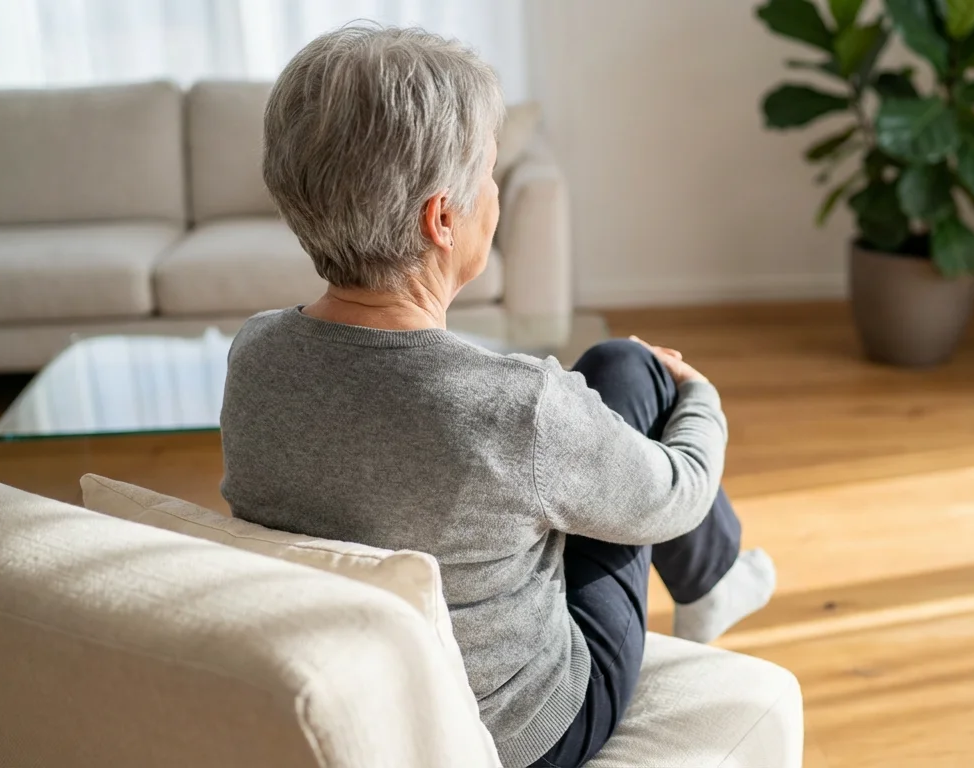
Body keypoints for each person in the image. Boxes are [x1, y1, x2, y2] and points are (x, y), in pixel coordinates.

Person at [219, 23, 776, 768]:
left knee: (597, 393)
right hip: (533, 730)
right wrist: (700, 395)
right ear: (441, 218)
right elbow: (677, 496)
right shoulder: (516, 406)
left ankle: (715, 577)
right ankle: (713, 575)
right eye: (487, 174)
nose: (495, 195)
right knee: (632, 371)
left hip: (372, 696)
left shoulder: (254, 354)